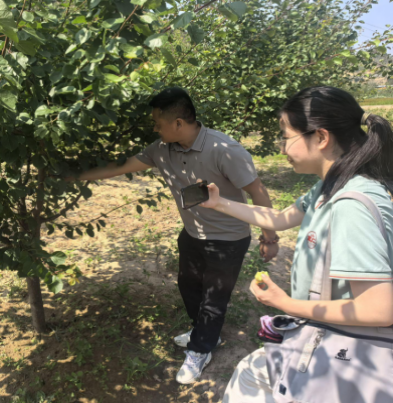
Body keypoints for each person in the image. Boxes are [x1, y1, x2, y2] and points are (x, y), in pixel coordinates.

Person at [70, 87, 279, 384]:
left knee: (214, 298)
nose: (155, 129)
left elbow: (257, 191)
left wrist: (269, 238)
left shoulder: (224, 149)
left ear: (178, 123)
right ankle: (204, 332)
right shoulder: (161, 149)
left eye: (158, 123)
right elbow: (123, 166)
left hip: (228, 239)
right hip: (193, 233)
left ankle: (201, 349)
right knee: (188, 286)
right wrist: (73, 176)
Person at [197, 86, 393, 402]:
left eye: (286, 136)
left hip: (346, 349)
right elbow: (279, 218)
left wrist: (285, 303)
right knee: (250, 374)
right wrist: (219, 203)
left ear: (321, 137)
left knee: (250, 378)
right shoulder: (330, 187)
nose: (282, 146)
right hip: (326, 335)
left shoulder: (351, 206)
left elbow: (379, 309)